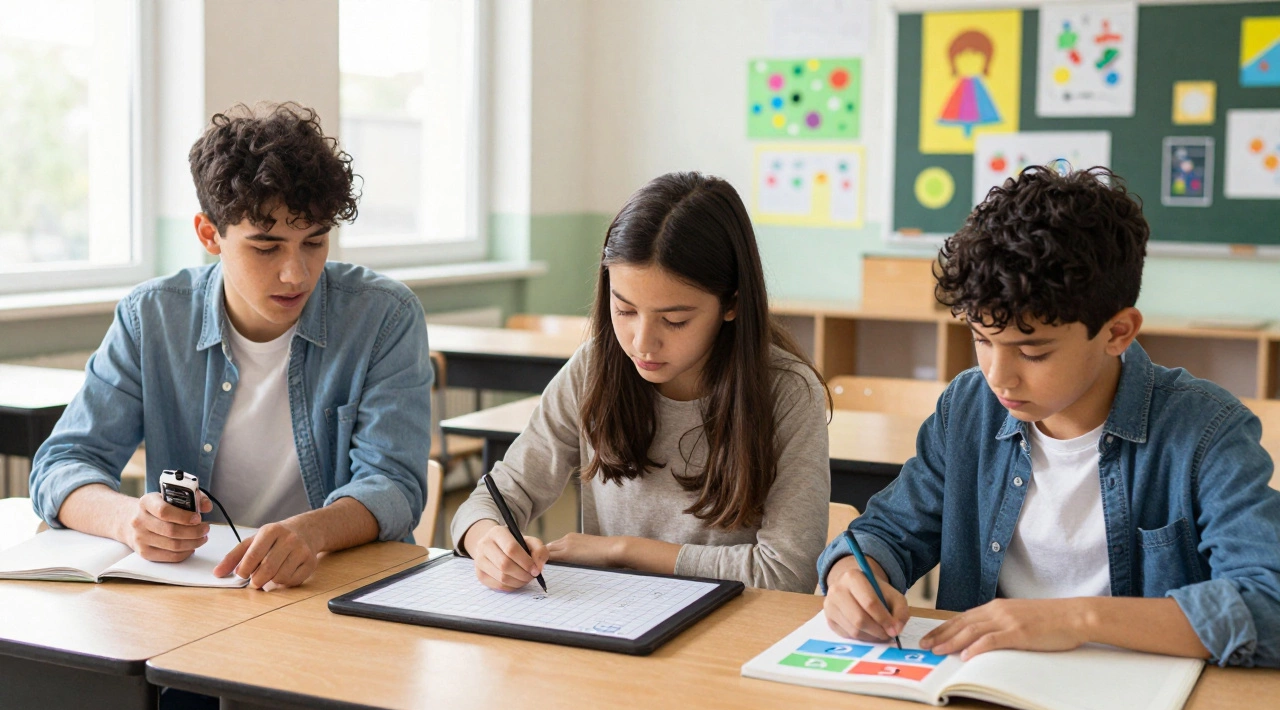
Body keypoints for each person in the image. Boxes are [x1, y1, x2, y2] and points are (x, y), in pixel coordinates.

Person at [820, 165, 1280, 668]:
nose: (1000, 377)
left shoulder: (1207, 431)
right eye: (980, 340)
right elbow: (886, 533)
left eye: (1033, 353)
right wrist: (851, 574)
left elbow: (1268, 603)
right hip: (981, 685)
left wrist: (1075, 619)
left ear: (1117, 332)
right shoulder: (968, 408)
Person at [30, 103, 432, 592]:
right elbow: (63, 463)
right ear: (209, 235)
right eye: (267, 247)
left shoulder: (384, 316)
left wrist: (311, 530)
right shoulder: (151, 317)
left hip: (332, 588)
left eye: (315, 242)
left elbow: (394, 485)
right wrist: (127, 519)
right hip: (196, 593)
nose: (296, 274)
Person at [451, 171, 831, 594]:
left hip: (732, 631)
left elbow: (787, 572)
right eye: (625, 310)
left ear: (731, 304)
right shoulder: (594, 367)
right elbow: (494, 498)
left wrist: (623, 551)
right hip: (616, 623)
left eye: (675, 320)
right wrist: (487, 540)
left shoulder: (788, 392)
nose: (642, 342)